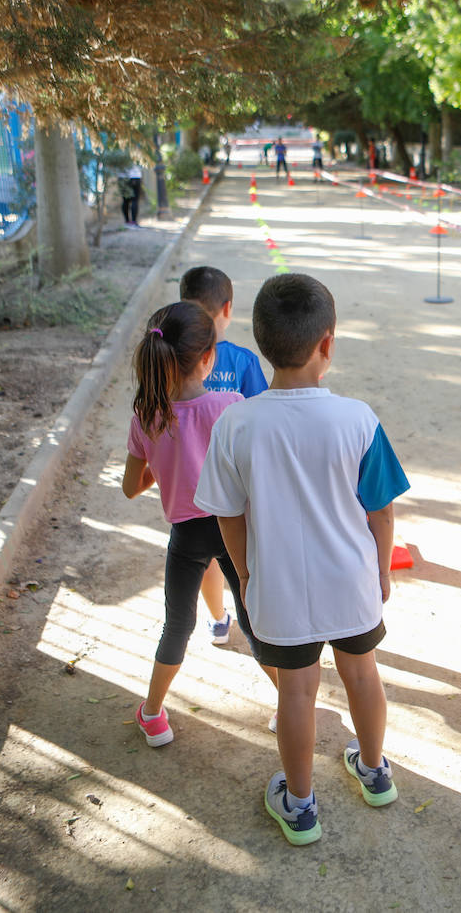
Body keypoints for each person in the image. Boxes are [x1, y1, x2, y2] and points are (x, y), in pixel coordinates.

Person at [194, 273, 409, 846]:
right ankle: (374, 771)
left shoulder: (236, 422)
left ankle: (301, 805)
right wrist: (381, 568)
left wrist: (244, 573)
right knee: (362, 674)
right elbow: (381, 512)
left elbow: (227, 515)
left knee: (296, 691)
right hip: (352, 583)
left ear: (260, 343)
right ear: (328, 344)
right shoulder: (358, 419)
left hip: (279, 589)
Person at [122, 302, 245, 749]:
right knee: (252, 620)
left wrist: (161, 462)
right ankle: (288, 703)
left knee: (177, 626)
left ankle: (152, 714)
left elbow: (131, 488)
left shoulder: (146, 416)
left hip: (187, 536)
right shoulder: (232, 406)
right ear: (208, 357)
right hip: (234, 530)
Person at [179, 265, 269, 648]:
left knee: (204, 558)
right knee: (241, 556)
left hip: (189, 485)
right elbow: (262, 415)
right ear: (228, 308)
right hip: (237, 484)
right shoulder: (244, 361)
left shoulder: (170, 357)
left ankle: (218, 619)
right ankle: (261, 624)